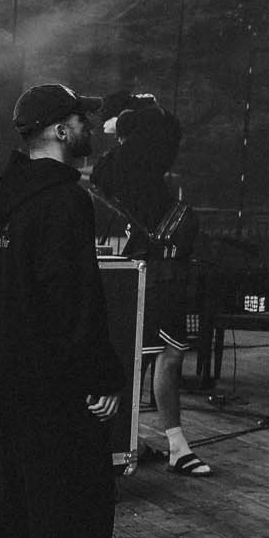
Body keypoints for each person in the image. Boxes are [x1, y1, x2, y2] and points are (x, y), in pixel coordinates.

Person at [0, 83, 162, 538]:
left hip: (9, 377)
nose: (90, 128)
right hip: (57, 382)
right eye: (81, 119)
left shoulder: (3, 195)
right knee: (79, 503)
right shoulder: (64, 201)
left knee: (17, 501)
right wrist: (102, 376)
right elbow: (73, 299)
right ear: (59, 130)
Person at [89, 91, 210, 476]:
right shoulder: (126, 160)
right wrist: (135, 113)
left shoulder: (122, 161)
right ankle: (165, 445)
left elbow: (164, 129)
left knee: (153, 357)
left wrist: (129, 116)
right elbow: (164, 127)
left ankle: (148, 443)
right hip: (149, 269)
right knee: (156, 356)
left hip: (146, 266)